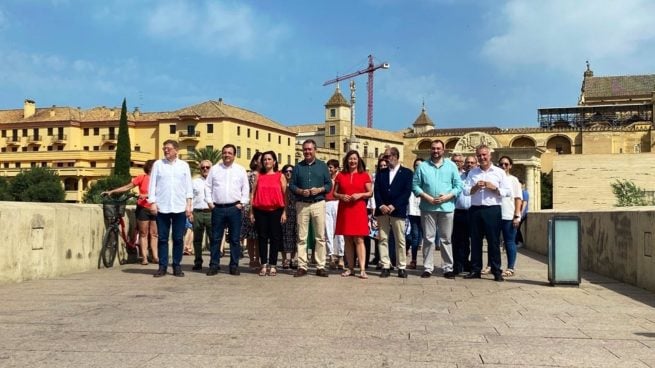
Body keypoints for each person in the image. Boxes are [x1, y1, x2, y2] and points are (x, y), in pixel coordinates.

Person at [412, 140, 462, 279]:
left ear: (444, 150)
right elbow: (415, 185)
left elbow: (458, 186)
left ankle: (447, 268)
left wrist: (447, 196)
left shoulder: (452, 166)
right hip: (427, 207)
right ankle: (428, 267)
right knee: (428, 238)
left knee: (446, 239)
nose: (436, 151)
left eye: (438, 148)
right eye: (433, 148)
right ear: (430, 150)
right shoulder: (422, 166)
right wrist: (426, 197)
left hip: (446, 207)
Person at [463, 144, 511, 282]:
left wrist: (494, 188)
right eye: (479, 155)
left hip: (492, 209)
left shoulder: (499, 172)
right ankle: (475, 270)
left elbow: (507, 192)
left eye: (484, 155)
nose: (482, 157)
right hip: (476, 209)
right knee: (476, 241)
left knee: (493, 241)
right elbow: (466, 191)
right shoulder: (473, 173)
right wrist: (475, 187)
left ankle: (496, 271)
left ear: (490, 155)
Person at [147, 140, 193, 277]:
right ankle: (162, 266)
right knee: (162, 238)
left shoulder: (184, 166)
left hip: (179, 207)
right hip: (162, 207)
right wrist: (152, 203)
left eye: (168, 148)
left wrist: (189, 205)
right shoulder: (158, 165)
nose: (166, 150)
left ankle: (177, 266)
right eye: (164, 148)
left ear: (176, 150)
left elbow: (188, 186)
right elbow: (152, 185)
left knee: (178, 238)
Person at [102, 159, 158, 265]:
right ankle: (144, 258)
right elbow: (127, 187)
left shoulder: (160, 180)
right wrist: (112, 191)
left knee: (154, 234)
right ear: (150, 168)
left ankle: (155, 256)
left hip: (155, 208)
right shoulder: (142, 178)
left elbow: (161, 192)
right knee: (143, 233)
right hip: (143, 208)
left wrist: (146, 195)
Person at [205, 144, 250, 276]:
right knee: (215, 238)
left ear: (234, 155)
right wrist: (209, 202)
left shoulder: (240, 170)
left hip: (234, 208)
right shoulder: (214, 169)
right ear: (221, 154)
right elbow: (207, 186)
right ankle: (214, 265)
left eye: (230, 153)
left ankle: (234, 266)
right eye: (224, 152)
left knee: (235, 239)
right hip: (217, 208)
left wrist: (242, 203)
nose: (227, 155)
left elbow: (245, 188)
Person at [289, 139, 332, 277]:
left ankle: (320, 266)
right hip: (302, 204)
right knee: (302, 237)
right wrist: (301, 191)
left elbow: (329, 185)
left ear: (315, 150)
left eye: (310, 149)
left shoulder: (323, 166)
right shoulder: (298, 167)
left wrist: (319, 189)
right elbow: (292, 185)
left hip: (318, 203)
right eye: (305, 149)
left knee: (320, 236)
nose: (307, 152)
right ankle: (302, 266)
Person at [374, 147, 413, 278]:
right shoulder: (381, 172)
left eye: (387, 156)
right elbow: (377, 190)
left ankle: (401, 266)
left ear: (395, 156)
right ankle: (385, 265)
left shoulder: (407, 173)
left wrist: (394, 205)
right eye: (384, 157)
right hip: (383, 211)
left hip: (398, 210)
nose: (385, 159)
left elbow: (406, 192)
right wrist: (381, 205)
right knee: (383, 238)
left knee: (400, 239)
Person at [334, 150, 373, 279]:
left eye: (355, 159)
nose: (352, 161)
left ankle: (362, 269)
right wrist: (341, 196)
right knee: (347, 239)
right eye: (350, 159)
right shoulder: (340, 175)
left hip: (358, 208)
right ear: (347, 160)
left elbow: (370, 193)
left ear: (358, 160)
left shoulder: (364, 175)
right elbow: (335, 193)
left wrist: (360, 195)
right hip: (345, 209)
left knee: (359, 239)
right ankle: (350, 268)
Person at [250, 151, 287, 276]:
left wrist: (284, 212)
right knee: (262, 238)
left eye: (269, 159)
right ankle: (263, 264)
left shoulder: (280, 176)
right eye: (265, 159)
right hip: (260, 210)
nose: (266, 161)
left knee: (275, 238)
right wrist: (251, 212)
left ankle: (273, 265)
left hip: (276, 211)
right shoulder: (258, 176)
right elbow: (252, 194)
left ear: (274, 161)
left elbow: (285, 195)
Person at [452, 155, 477, 274]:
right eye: (467, 162)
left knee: (474, 240)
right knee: (459, 240)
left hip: (474, 212)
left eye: (472, 163)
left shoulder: (478, 177)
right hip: (459, 212)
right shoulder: (458, 177)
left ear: (476, 164)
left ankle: (473, 265)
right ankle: (458, 264)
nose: (469, 164)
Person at [498, 156, 522, 277]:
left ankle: (510, 267)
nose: (503, 166)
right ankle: (492, 265)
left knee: (509, 242)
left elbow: (518, 198)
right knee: (493, 243)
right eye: (501, 164)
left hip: (509, 214)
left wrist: (517, 215)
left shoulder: (514, 180)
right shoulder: (495, 178)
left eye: (506, 164)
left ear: (510, 166)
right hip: (495, 215)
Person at [191, 159, 213, 271]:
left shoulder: (215, 181)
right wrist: (190, 212)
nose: (205, 169)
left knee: (213, 239)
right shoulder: (194, 182)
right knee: (197, 239)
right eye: (202, 167)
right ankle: (198, 261)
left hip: (211, 213)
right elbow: (190, 197)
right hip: (198, 212)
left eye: (207, 167)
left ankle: (214, 262)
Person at [243, 152, 262, 271]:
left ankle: (258, 259)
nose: (264, 162)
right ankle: (251, 259)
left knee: (260, 236)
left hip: (262, 207)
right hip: (250, 207)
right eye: (261, 160)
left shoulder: (266, 175)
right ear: (255, 161)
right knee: (250, 236)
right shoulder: (249, 175)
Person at [325, 159, 345, 270]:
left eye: (331, 167)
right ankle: (331, 257)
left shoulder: (340, 177)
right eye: (328, 167)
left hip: (338, 204)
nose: (329, 169)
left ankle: (341, 257)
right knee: (328, 231)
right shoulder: (325, 178)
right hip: (327, 204)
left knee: (340, 231)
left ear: (336, 168)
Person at [406, 157, 424, 270]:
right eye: (416, 165)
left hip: (425, 210)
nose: (418, 167)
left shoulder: (427, 179)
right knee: (415, 235)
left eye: (420, 165)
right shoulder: (410, 179)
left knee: (424, 236)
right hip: (412, 210)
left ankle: (426, 261)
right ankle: (414, 259)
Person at [280, 164, 297, 269]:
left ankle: (293, 259)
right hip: (283, 212)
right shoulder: (280, 184)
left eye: (291, 171)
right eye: (286, 171)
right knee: (283, 235)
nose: (288, 173)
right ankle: (284, 259)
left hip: (295, 211)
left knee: (295, 235)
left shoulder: (296, 185)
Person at [515, 178, 529, 247]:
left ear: (523, 184)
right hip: (519, 213)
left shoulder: (524, 192)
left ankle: (520, 242)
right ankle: (517, 241)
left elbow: (525, 203)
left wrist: (521, 213)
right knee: (516, 227)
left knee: (517, 227)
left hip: (523, 214)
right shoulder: (519, 192)